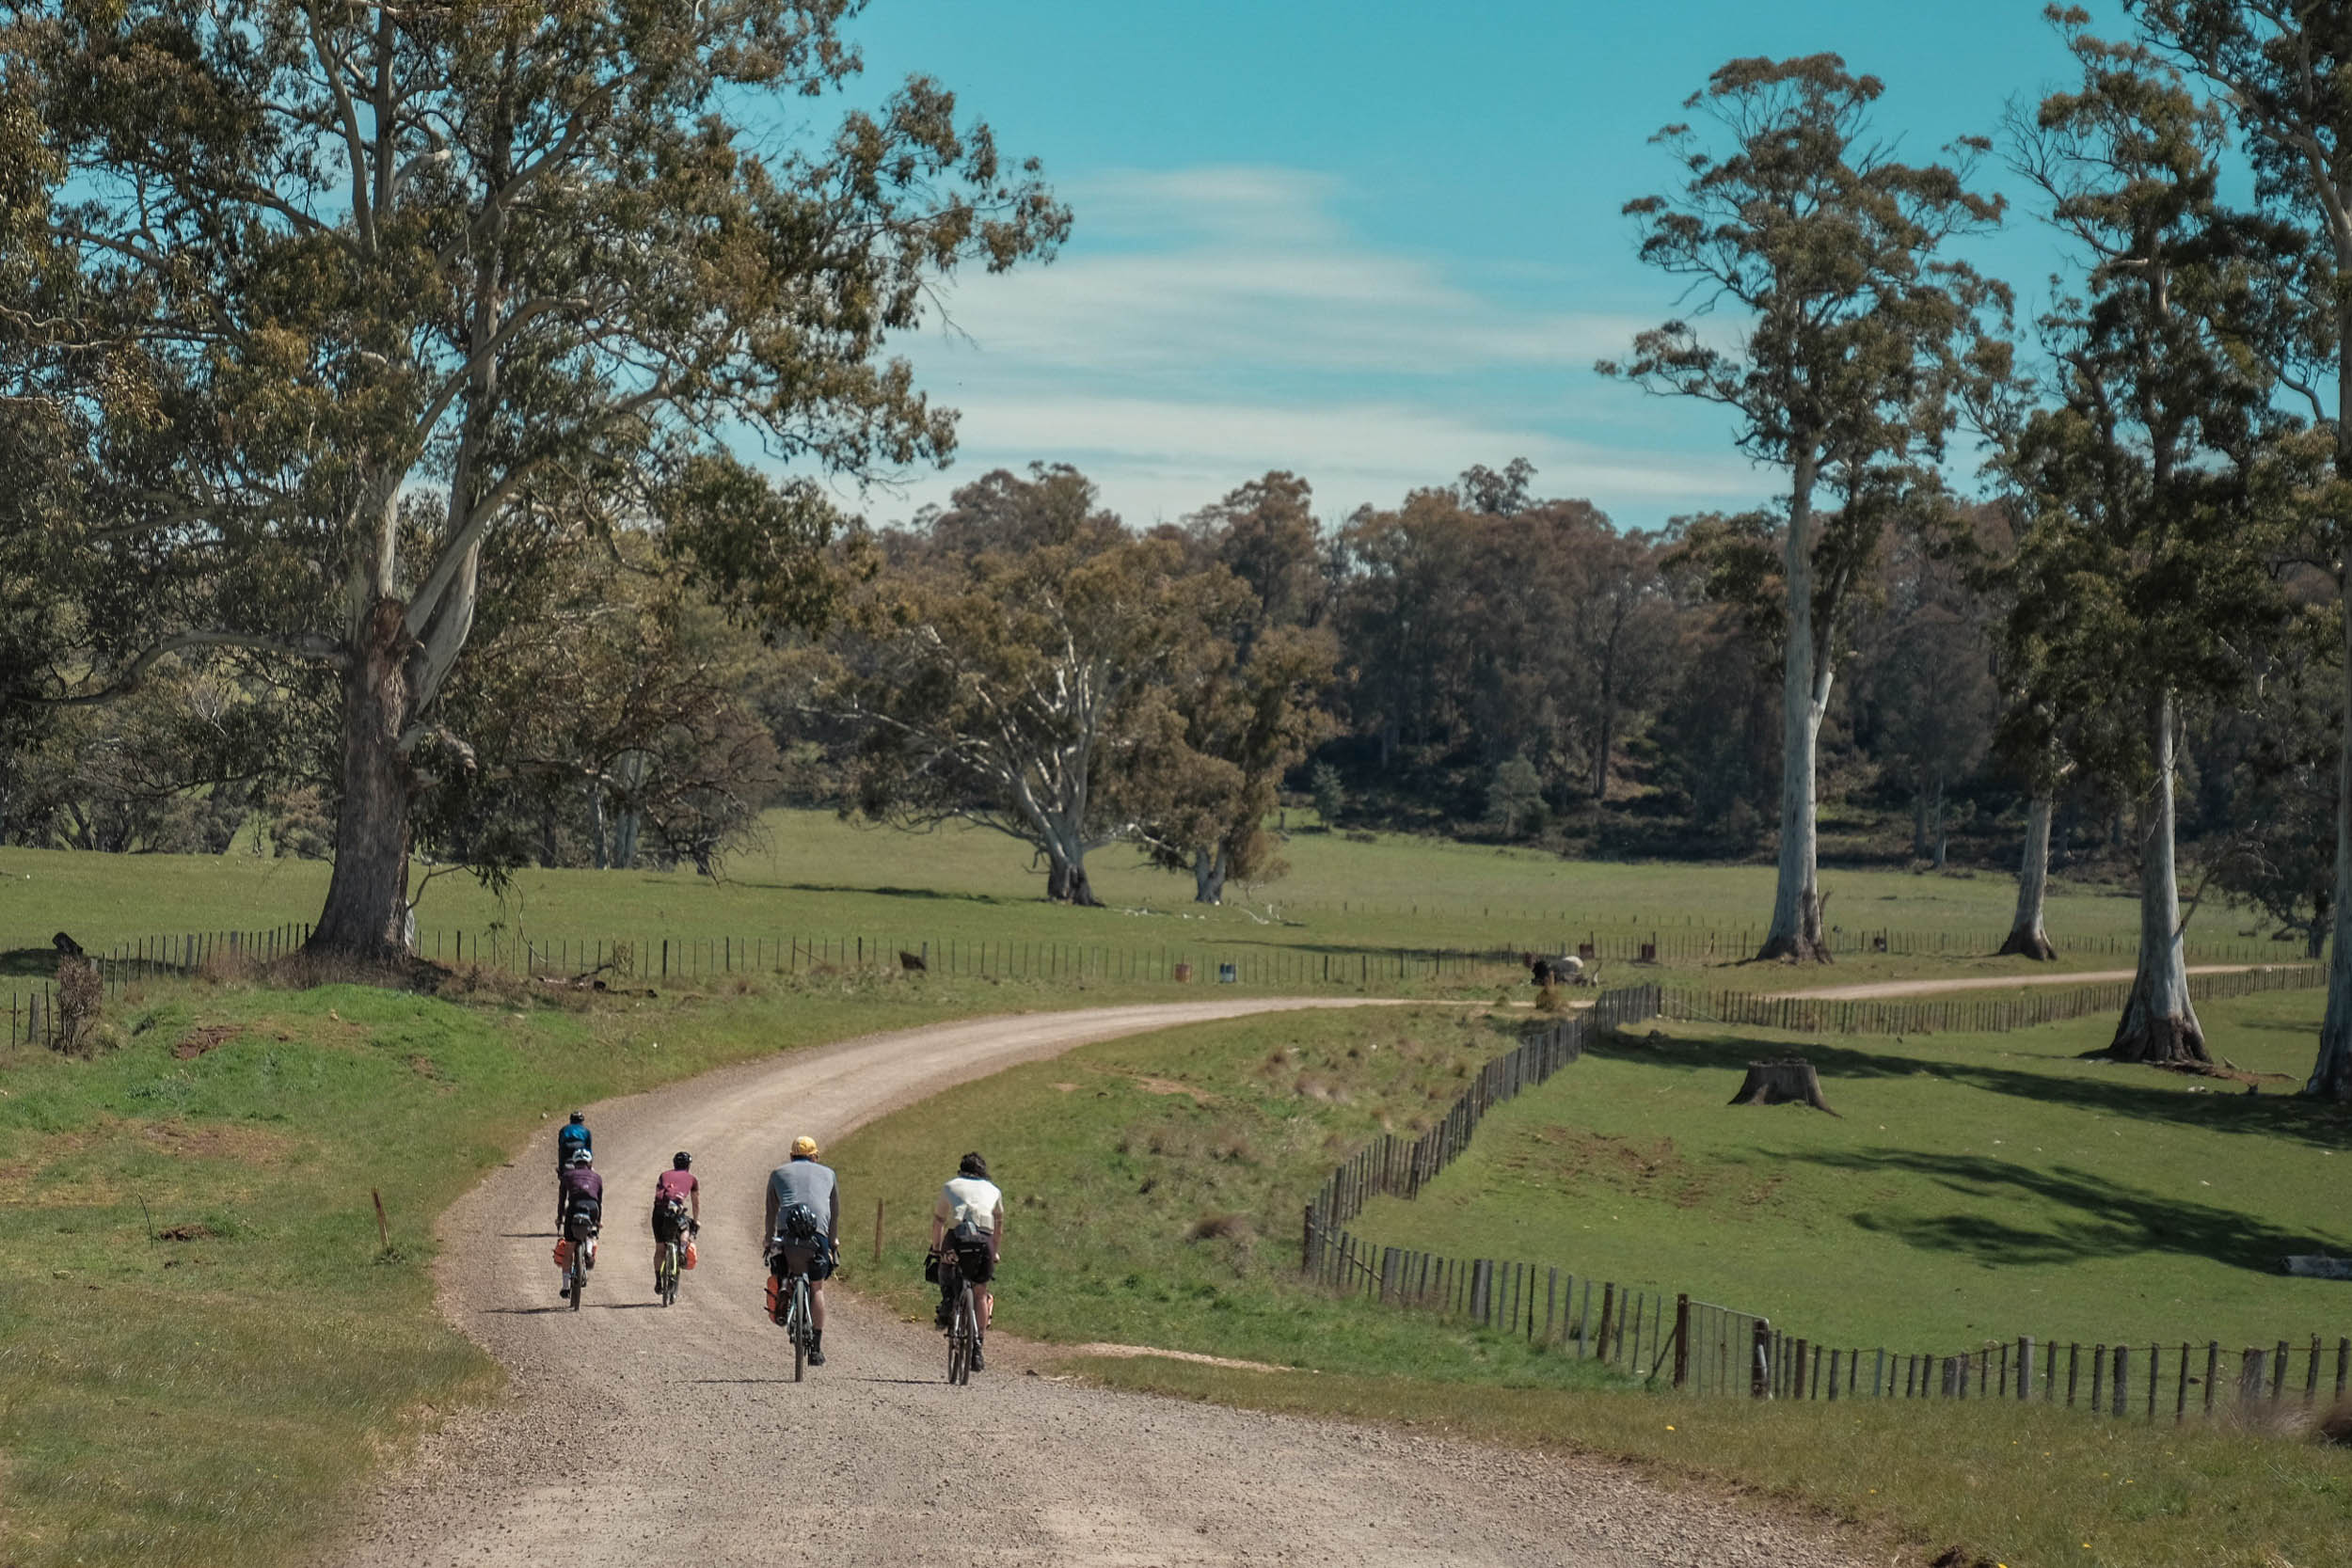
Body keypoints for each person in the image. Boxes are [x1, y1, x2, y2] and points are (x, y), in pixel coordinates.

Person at [764, 1135, 839, 1366]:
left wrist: (768, 1240)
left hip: (787, 1235)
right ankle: (815, 1348)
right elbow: (834, 1212)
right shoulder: (828, 1173)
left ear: (791, 1156)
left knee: (782, 1267)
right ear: (815, 1157)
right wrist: (833, 1240)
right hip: (817, 1235)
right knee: (817, 1288)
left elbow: (771, 1211)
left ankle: (785, 1287)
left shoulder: (777, 1173)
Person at [930, 1150, 1003, 1371]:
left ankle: (947, 1302)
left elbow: (939, 1221)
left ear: (961, 1170)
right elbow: (999, 1223)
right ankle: (978, 1346)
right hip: (985, 1240)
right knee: (981, 1292)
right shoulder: (994, 1190)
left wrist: (936, 1249)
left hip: (958, 1238)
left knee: (946, 1265)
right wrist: (995, 1251)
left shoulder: (950, 1186)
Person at [555, 1147, 602, 1299]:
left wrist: (560, 1217)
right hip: (592, 1207)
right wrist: (599, 1221)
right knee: (590, 1232)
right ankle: (588, 1251)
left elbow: (562, 1200)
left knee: (569, 1248)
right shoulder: (597, 1177)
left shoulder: (568, 1176)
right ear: (590, 1163)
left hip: (574, 1207)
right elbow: (598, 1201)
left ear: (575, 1163)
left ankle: (565, 1287)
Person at [651, 1150, 700, 1287]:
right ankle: (682, 1251)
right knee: (685, 1229)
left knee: (660, 1249)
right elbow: (696, 1203)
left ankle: (658, 1281)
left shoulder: (664, 1175)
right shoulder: (692, 1179)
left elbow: (658, 1194)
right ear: (688, 1165)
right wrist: (696, 1221)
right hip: (674, 1210)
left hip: (658, 1212)